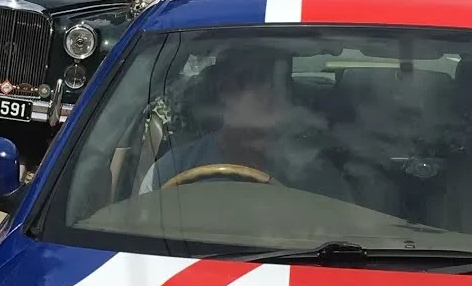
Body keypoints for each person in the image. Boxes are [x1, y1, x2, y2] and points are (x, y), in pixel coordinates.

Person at [139, 48, 351, 201]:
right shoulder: (171, 170)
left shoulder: (315, 176)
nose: (270, 92)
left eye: (280, 81)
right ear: (224, 90)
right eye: (254, 80)